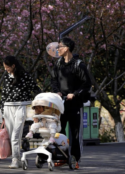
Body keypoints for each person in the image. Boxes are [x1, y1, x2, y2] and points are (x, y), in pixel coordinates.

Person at [51, 37, 91, 169]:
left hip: (75, 104)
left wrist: (75, 94)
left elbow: (86, 84)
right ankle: (62, 157)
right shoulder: (57, 64)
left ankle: (74, 158)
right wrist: (57, 92)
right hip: (60, 104)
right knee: (59, 131)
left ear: (67, 48)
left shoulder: (79, 65)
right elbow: (54, 80)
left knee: (75, 133)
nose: (58, 49)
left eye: (60, 46)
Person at [1, 55, 40, 169]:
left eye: (7, 67)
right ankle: (17, 158)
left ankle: (15, 160)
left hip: (21, 106)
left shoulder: (25, 76)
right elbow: (4, 94)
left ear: (13, 65)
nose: (5, 69)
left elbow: (35, 88)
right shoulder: (7, 76)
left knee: (15, 135)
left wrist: (44, 98)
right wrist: (3, 112)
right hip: (8, 108)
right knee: (12, 135)